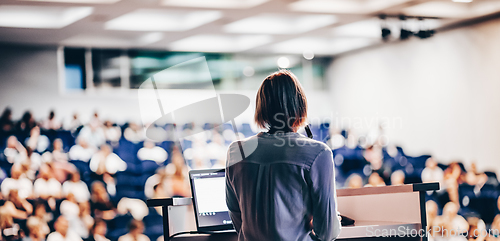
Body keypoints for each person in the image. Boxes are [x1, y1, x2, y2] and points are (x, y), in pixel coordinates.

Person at [225, 70, 341, 241]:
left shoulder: (236, 151)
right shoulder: (318, 153)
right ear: (300, 106)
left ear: (261, 107)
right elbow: (327, 232)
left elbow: (236, 216)